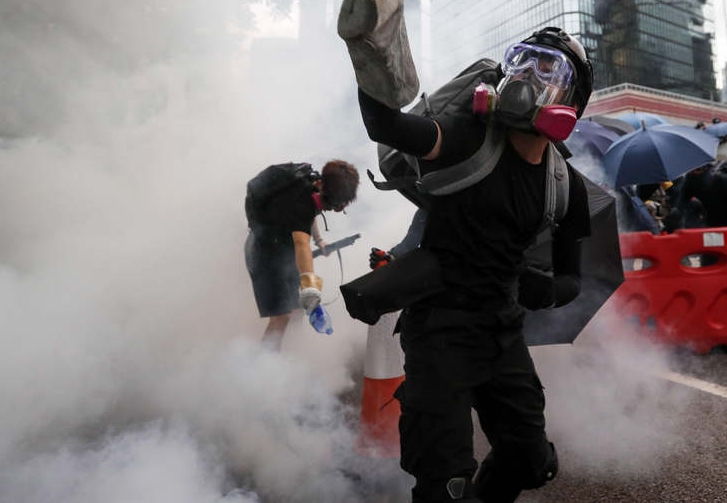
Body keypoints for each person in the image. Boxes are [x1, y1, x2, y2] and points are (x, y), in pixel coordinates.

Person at [356, 27, 593, 503]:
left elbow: (572, 280)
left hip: (503, 329)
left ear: (572, 100)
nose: (527, 77)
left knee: (532, 463)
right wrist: (369, 48)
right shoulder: (468, 139)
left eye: (548, 70)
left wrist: (544, 291)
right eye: (522, 61)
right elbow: (388, 127)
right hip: (440, 327)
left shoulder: (566, 186)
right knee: (446, 486)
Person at [244, 160, 359, 351]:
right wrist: (310, 288)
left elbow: (312, 209)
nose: (329, 207)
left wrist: (319, 239)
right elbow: (301, 243)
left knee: (297, 311)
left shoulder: (310, 182)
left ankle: (288, 358)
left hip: (284, 252)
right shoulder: (298, 202)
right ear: (321, 184)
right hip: (264, 256)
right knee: (281, 317)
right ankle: (263, 368)